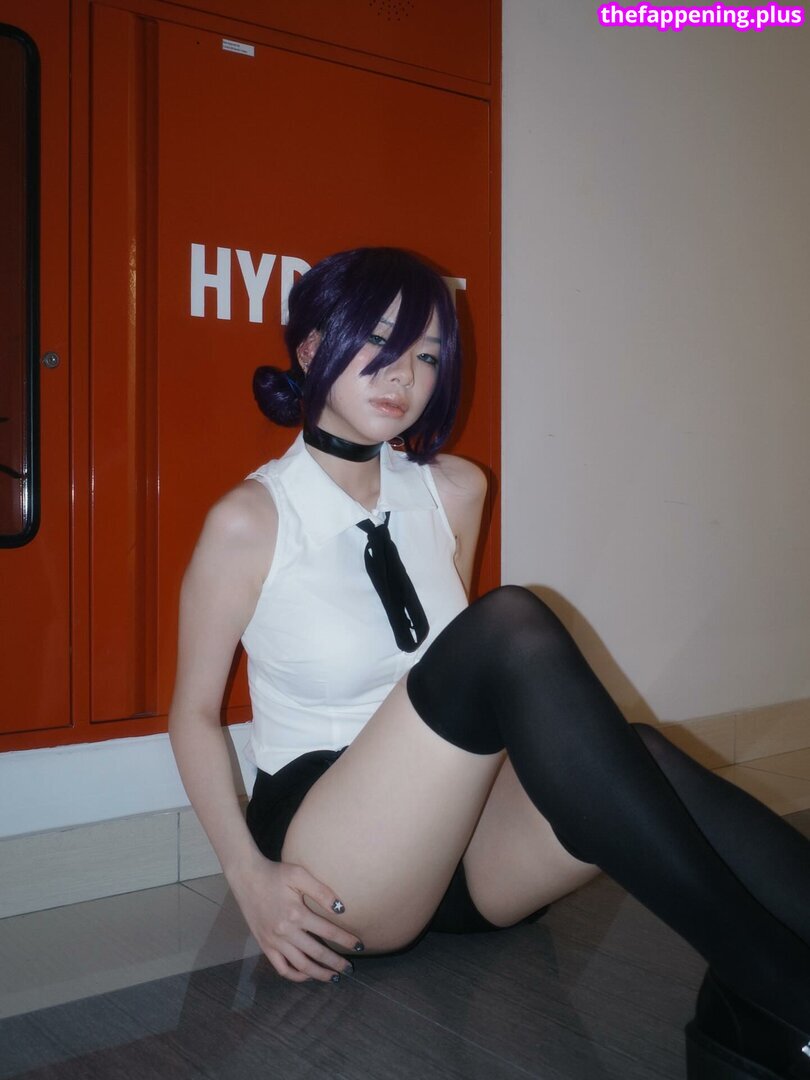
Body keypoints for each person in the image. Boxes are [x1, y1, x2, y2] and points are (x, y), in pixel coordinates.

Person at [169, 247, 810, 1080]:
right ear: (312, 346)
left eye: (428, 354)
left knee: (643, 753)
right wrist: (248, 876)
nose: (405, 374)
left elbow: (453, 698)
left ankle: (769, 985)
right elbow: (192, 714)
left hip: (454, 847)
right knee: (507, 624)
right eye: (380, 341)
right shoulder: (250, 519)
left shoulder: (455, 490)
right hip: (329, 853)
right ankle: (778, 986)